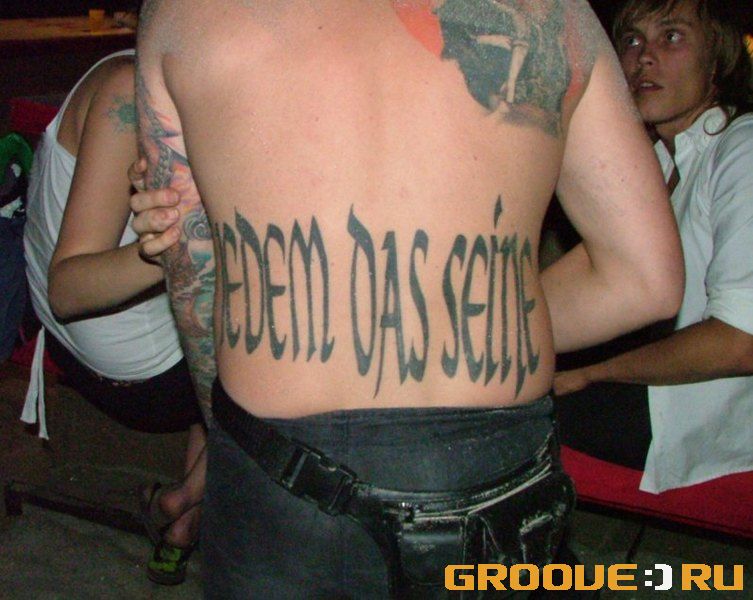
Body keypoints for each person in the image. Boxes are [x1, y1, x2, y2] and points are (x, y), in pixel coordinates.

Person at [134, 0, 684, 596]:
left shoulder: (184, 14)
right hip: (494, 461)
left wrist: (229, 433)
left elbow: (192, 269)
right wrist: (472, 322)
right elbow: (646, 279)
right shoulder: (557, 12)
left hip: (281, 466)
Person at [21, 49, 205, 585]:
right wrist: (187, 245)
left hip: (74, 346)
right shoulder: (130, 91)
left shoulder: (147, 72)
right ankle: (186, 498)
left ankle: (180, 530)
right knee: (298, 345)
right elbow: (68, 290)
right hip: (129, 374)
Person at [555, 0, 753, 493]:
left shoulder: (742, 149)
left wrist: (594, 373)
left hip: (698, 416)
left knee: (496, 416)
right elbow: (588, 279)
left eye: (672, 36)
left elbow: (740, 342)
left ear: (717, 61)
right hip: (652, 391)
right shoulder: (658, 163)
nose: (644, 56)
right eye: (632, 40)